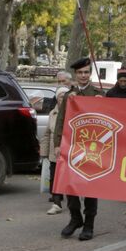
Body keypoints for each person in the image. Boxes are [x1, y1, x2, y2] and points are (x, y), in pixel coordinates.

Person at [51, 56, 103, 240]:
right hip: (72, 146)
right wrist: (57, 144)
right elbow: (61, 120)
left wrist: (101, 103)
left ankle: (88, 225)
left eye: (86, 72)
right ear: (75, 74)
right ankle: (75, 219)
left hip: (92, 148)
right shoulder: (68, 95)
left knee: (90, 187)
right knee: (70, 185)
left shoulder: (98, 94)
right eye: (80, 72)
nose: (83, 75)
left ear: (90, 73)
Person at [44, 71, 72, 215]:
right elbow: (47, 134)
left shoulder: (74, 114)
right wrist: (43, 153)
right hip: (55, 152)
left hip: (70, 152)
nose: (62, 99)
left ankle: (73, 200)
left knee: (69, 177)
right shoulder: (52, 113)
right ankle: (56, 203)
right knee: (54, 177)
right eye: (59, 97)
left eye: (64, 97)